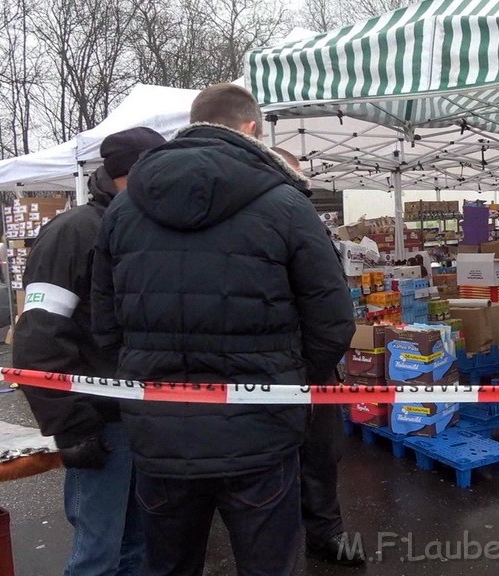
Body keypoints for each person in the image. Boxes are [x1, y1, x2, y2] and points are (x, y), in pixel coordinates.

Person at [90, 83, 355, 576]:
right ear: (251, 127)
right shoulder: (287, 204)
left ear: (193, 124)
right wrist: (288, 380)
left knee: (169, 567)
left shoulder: (122, 211)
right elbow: (334, 319)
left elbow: (104, 326)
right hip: (261, 427)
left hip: (161, 430)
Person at [14, 126, 166, 576]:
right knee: (97, 556)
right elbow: (38, 336)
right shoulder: (74, 231)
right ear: (133, 173)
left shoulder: (135, 228)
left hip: (138, 420)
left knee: (136, 549)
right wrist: (71, 426)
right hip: (97, 423)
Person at [270, 145, 365, 567]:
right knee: (278, 463)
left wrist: (316, 365)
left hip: (309, 366)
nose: (305, 181)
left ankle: (325, 531)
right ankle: (291, 539)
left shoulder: (299, 216)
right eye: (299, 174)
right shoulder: (279, 214)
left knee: (322, 453)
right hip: (283, 368)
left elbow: (330, 306)